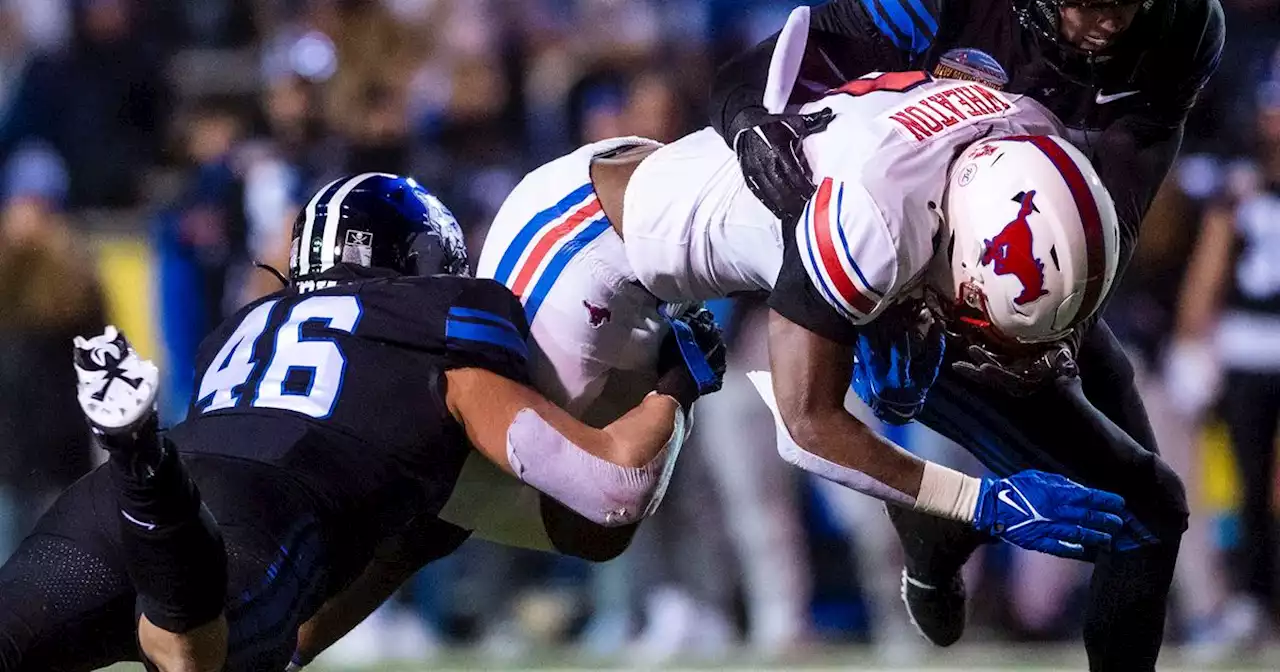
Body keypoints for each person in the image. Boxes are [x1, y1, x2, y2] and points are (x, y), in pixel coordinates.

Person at [459, 63, 1143, 635]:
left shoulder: (1022, 124)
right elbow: (807, 428)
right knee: (596, 505)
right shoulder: (873, 219)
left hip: (671, 230)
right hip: (582, 250)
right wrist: (981, 502)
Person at [0, 173, 725, 672]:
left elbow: (374, 571)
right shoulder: (443, 323)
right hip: (261, 518)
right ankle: (145, 469)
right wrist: (679, 378)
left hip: (118, 508)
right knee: (200, 657)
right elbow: (612, 487)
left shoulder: (247, 325)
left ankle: (142, 465)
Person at [711, 1, 1222, 665]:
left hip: (1012, 278)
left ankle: (940, 532)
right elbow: (758, 73)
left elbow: (1109, 211)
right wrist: (751, 124)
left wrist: (1054, 333)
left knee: (1144, 510)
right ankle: (933, 525)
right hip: (878, 251)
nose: (1109, 23)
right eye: (1088, 2)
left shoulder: (1178, 27)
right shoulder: (937, 5)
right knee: (1140, 513)